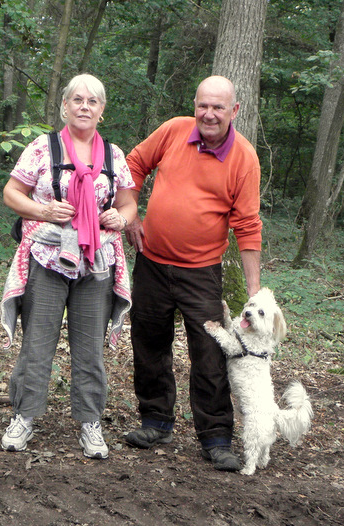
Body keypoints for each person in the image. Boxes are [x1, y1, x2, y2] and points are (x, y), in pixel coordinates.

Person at [123, 75, 262, 472]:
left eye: (219, 107)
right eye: (203, 105)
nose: (209, 113)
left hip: (201, 272)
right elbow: (134, 164)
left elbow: (248, 225)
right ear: (195, 104)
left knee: (209, 355)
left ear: (234, 111)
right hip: (150, 262)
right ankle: (155, 422)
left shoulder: (244, 158)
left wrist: (253, 291)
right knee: (149, 343)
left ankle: (216, 437)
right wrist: (130, 212)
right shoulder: (172, 131)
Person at [0, 73, 136, 459]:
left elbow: (127, 204)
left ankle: (90, 422)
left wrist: (120, 220)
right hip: (46, 257)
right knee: (38, 343)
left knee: (90, 348)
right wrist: (43, 209)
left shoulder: (113, 155)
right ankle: (24, 416)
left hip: (96, 263)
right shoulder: (42, 148)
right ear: (64, 105)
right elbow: (12, 193)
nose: (84, 107)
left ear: (102, 111)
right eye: (77, 100)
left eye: (93, 102)